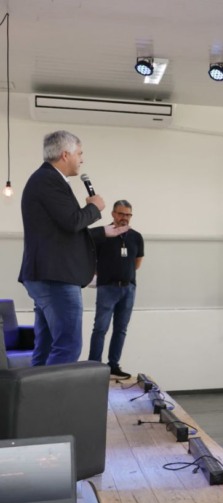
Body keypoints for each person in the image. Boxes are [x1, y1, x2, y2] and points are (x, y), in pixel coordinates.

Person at [19, 130, 129, 366]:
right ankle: (53, 402)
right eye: (80, 153)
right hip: (55, 277)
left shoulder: (47, 179)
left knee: (47, 346)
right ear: (65, 154)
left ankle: (36, 401)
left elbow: (61, 231)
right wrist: (95, 208)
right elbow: (72, 222)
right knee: (68, 346)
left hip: (48, 275)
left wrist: (102, 232)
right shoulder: (48, 180)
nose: (82, 159)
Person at [87, 200, 143, 379]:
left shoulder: (136, 237)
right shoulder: (103, 235)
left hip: (128, 289)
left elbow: (137, 263)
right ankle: (94, 365)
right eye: (121, 214)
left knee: (121, 329)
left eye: (128, 215)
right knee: (100, 328)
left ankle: (113, 365)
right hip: (107, 288)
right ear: (113, 214)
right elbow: (92, 260)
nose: (124, 218)